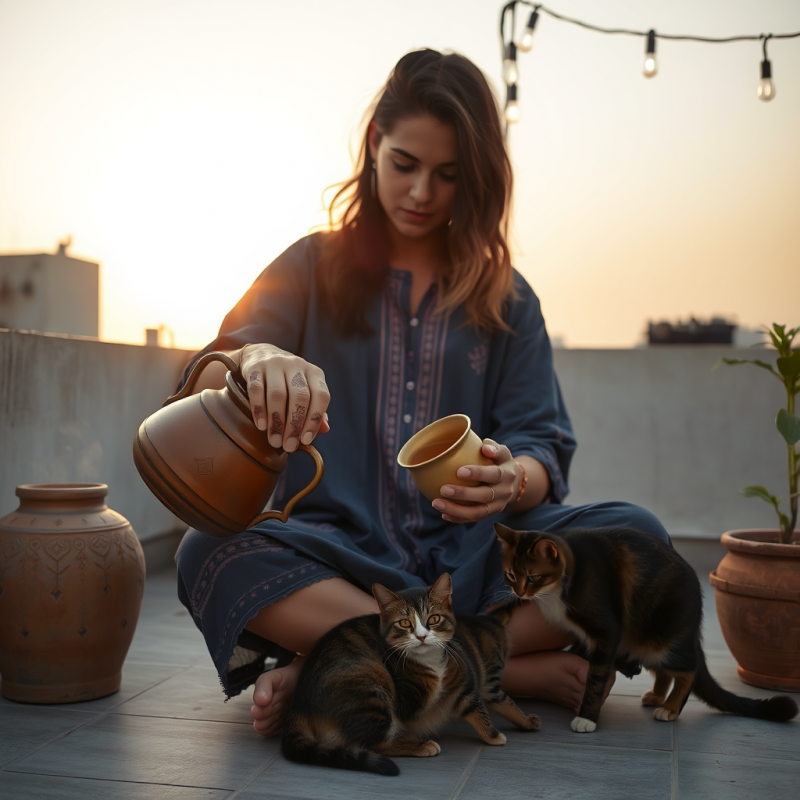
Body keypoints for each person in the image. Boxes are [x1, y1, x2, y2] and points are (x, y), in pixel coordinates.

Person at [174, 49, 671, 738]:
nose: (421, 194)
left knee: (639, 539)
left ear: (478, 180)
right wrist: (258, 358)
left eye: (448, 175)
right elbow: (203, 377)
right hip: (338, 554)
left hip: (473, 567)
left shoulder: (509, 300)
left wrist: (511, 479)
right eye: (405, 164)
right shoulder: (310, 266)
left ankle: (343, 664)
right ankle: (483, 669)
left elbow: (542, 444)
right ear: (375, 143)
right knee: (206, 550)